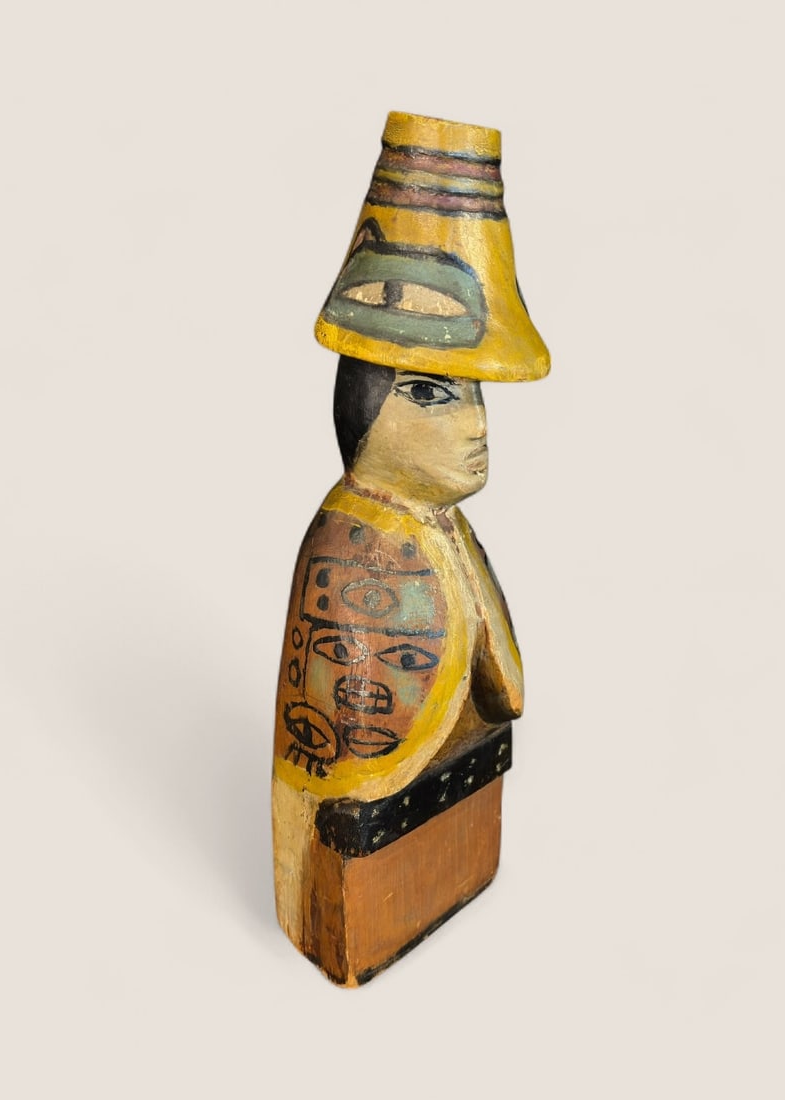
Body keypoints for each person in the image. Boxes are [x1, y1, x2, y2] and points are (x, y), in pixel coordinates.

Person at [271, 112, 549, 984]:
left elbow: (508, 692)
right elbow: (345, 764)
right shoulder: (353, 549)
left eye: (475, 396)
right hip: (366, 864)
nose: (477, 426)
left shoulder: (444, 530)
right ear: (366, 406)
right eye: (435, 395)